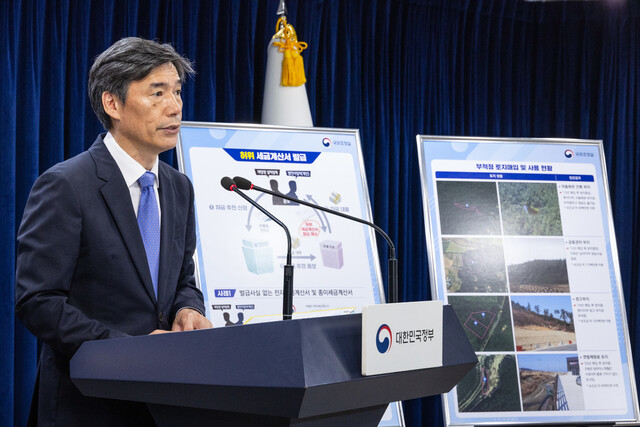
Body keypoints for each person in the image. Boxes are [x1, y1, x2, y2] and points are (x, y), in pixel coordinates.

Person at [15, 37, 212, 426]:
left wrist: (190, 307)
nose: (174, 107)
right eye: (157, 93)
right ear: (113, 104)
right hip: (88, 405)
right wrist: (130, 351)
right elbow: (38, 302)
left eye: (176, 92)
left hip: (168, 401)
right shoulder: (66, 185)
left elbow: (182, 278)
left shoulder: (178, 187)